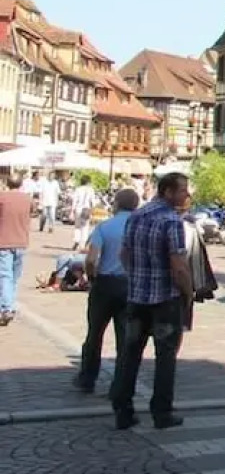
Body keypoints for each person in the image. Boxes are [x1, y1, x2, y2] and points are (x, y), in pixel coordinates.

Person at [109, 173, 194, 431]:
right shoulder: (171, 221)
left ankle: (123, 409)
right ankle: (162, 412)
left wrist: (135, 276)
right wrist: (188, 293)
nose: (186, 195)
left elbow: (124, 254)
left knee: (129, 354)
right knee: (165, 357)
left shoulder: (137, 215)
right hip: (165, 300)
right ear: (167, 192)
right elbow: (178, 266)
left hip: (136, 298)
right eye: (182, 190)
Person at [75, 188, 139, 393]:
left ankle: (87, 378)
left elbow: (91, 259)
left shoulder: (105, 227)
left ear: (116, 204)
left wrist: (92, 276)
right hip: (130, 285)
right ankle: (120, 385)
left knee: (94, 333)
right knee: (126, 338)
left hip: (105, 284)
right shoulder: (140, 227)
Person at [0, 174, 31, 325]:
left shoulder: (2, 197)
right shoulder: (27, 199)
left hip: (4, 242)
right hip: (21, 241)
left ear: (7, 183)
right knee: (14, 277)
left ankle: (6, 307)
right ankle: (9, 305)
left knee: (5, 275)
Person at [71, 177, 98, 250]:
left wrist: (72, 210)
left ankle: (76, 240)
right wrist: (93, 210)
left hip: (78, 209)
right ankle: (83, 244)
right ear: (88, 182)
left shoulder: (78, 189)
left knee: (77, 226)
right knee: (85, 227)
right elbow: (93, 202)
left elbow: (74, 200)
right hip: (86, 209)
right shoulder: (91, 190)